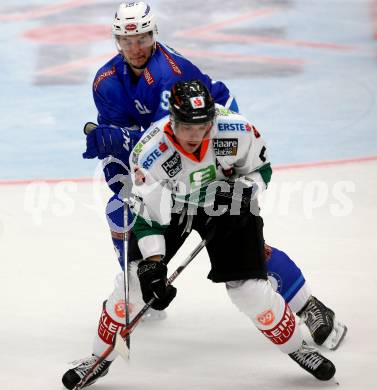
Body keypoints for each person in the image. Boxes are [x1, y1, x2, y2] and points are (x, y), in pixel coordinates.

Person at [61, 3, 345, 389]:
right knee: (130, 264)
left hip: (216, 173)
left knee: (249, 263)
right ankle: (115, 333)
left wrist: (245, 187)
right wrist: (150, 255)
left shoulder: (177, 81)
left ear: (153, 34)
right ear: (117, 41)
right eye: (127, 40)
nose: (136, 46)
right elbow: (142, 148)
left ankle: (307, 306)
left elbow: (233, 151)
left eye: (142, 37)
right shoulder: (114, 90)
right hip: (167, 181)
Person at [128, 80, 337, 382]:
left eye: (202, 125)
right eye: (187, 125)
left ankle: (299, 334)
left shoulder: (236, 131)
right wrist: (153, 263)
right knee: (133, 277)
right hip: (173, 204)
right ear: (172, 120)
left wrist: (243, 190)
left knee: (250, 287)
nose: (196, 135)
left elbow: (262, 170)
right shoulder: (151, 152)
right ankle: (100, 355)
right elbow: (147, 213)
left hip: (226, 201)